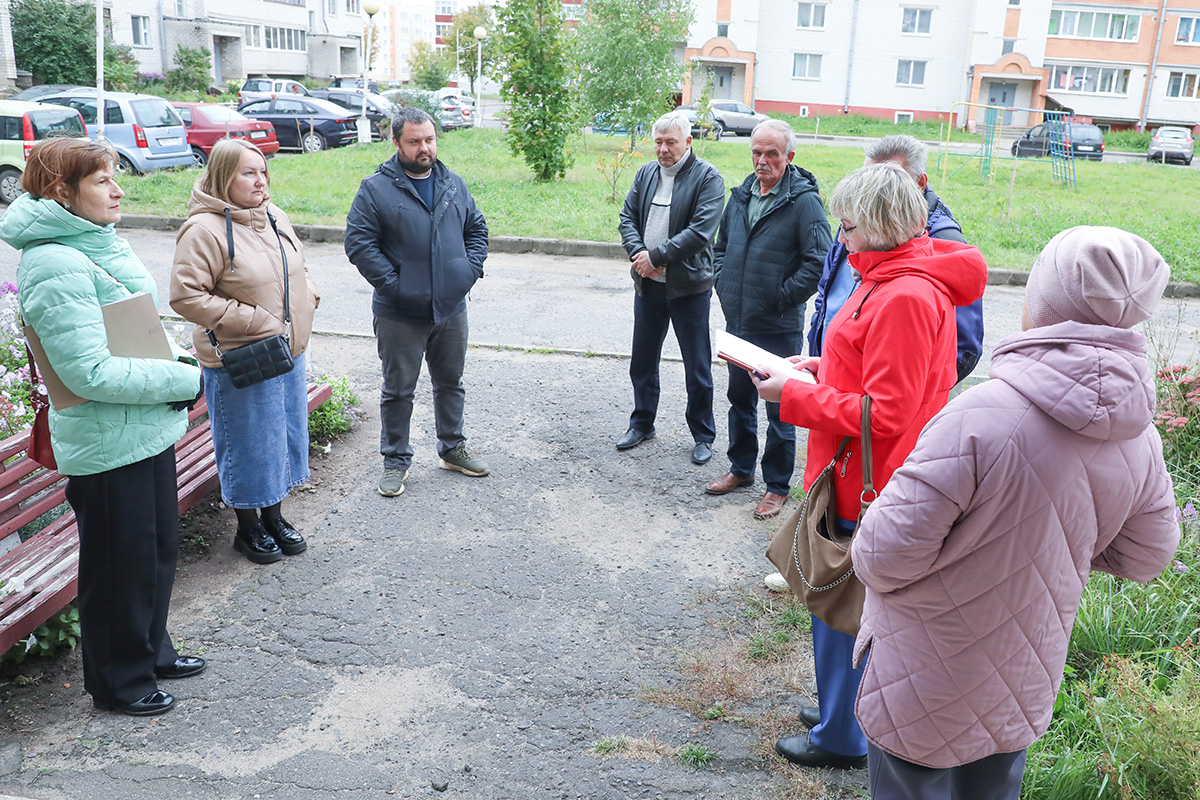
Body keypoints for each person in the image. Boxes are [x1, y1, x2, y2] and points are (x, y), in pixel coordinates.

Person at [851, 226, 1180, 799]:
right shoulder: (1139, 435)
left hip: (924, 678)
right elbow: (1148, 553)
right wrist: (1061, 542)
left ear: (1047, 301)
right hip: (1023, 678)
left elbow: (882, 556)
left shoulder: (980, 415)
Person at [751, 163, 987, 769]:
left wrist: (793, 395)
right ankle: (840, 710)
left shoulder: (904, 294)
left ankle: (842, 736)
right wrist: (818, 368)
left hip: (869, 478)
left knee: (843, 608)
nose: (841, 236)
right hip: (861, 468)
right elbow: (870, 369)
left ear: (880, 226)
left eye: (849, 226)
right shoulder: (890, 272)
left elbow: (886, 411)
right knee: (844, 608)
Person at [0, 138, 205, 716]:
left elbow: (135, 327)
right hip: (106, 440)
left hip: (141, 426)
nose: (118, 190)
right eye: (102, 181)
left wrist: (176, 363)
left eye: (115, 177)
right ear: (61, 191)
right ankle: (120, 682)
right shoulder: (53, 263)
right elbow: (88, 372)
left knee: (154, 551)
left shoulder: (94, 240)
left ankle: (150, 651)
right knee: (120, 565)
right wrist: (181, 379)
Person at [171, 138, 320, 564]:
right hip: (241, 356)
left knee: (280, 437)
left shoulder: (274, 215)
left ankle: (274, 517)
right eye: (248, 173)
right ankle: (247, 527)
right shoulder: (203, 230)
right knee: (248, 444)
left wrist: (309, 294)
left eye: (263, 171)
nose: (261, 180)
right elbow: (186, 296)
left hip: (286, 350)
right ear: (224, 177)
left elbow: (298, 265)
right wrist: (255, 320)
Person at [345, 106, 490, 497]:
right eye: (414, 141)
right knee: (398, 390)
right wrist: (396, 286)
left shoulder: (453, 184)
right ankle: (395, 461)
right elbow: (359, 244)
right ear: (396, 142)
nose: (424, 148)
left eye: (429, 139)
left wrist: (467, 271)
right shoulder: (375, 189)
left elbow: (477, 229)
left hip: (450, 308)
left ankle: (452, 448)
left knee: (450, 383)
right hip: (400, 313)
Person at [705, 119, 830, 518]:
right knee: (739, 399)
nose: (762, 161)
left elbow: (818, 261)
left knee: (781, 409)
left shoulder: (804, 202)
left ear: (789, 156)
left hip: (778, 324)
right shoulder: (741, 194)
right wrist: (724, 284)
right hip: (739, 321)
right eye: (756, 152)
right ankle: (741, 469)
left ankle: (776, 486)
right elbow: (721, 247)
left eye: (771, 154)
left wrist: (780, 298)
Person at [808, 134, 984, 385]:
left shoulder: (935, 247)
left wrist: (926, 392)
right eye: (868, 178)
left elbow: (959, 347)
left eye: (887, 180)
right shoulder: (855, 224)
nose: (870, 193)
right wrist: (829, 363)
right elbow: (828, 293)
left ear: (919, 183)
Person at [616, 110, 726, 465]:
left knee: (697, 366)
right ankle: (642, 423)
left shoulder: (708, 177)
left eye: (671, 142)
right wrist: (640, 255)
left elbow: (700, 232)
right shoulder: (646, 173)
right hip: (649, 285)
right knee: (642, 360)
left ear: (688, 141)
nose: (663, 149)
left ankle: (703, 435)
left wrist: (658, 255)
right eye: (658, 142)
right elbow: (627, 218)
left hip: (688, 288)